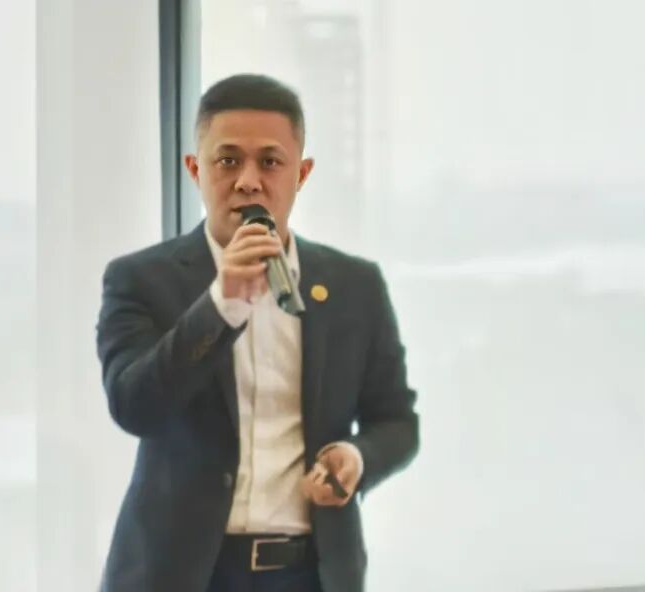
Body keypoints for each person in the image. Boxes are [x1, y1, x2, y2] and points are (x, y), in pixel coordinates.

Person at [95, 74, 419, 592]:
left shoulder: (354, 285)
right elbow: (134, 406)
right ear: (195, 169)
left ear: (301, 173)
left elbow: (397, 422)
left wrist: (356, 458)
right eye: (227, 161)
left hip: (311, 573)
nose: (248, 181)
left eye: (270, 162)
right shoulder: (140, 279)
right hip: (180, 573)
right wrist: (220, 305)